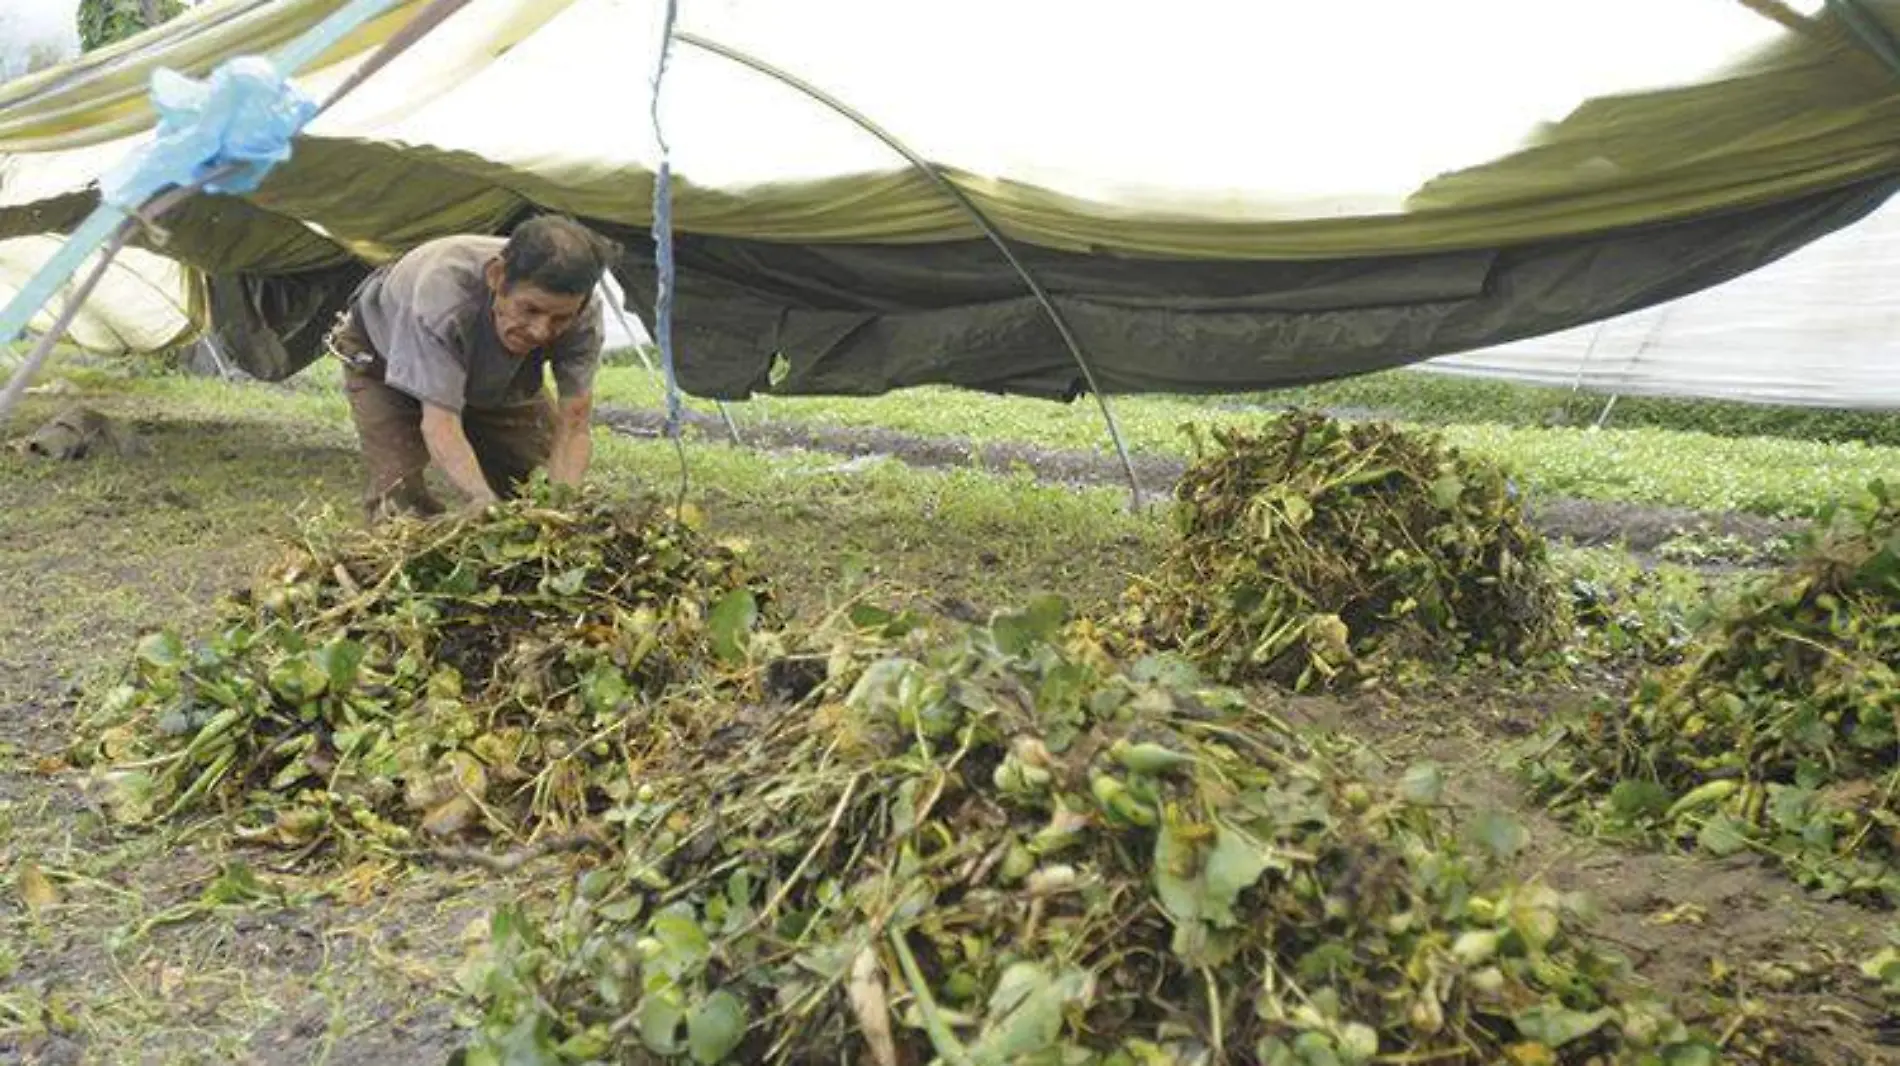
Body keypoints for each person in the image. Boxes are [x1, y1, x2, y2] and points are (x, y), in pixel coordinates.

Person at [324, 214, 621, 521]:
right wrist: (483, 501)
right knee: (399, 505)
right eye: (530, 310)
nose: (541, 331)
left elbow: (574, 422)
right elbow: (441, 424)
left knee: (534, 485)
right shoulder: (442, 293)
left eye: (559, 319)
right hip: (385, 363)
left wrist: (561, 511)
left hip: (495, 375)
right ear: (496, 277)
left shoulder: (582, 313)